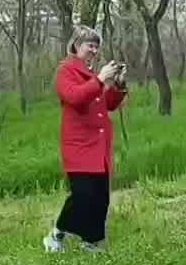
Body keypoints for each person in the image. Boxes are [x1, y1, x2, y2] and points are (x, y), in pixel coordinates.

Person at [43, 26, 129, 253]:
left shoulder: (92, 75)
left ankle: (91, 242)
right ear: (76, 45)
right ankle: (57, 233)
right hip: (79, 145)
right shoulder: (65, 70)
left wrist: (118, 84)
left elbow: (109, 104)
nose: (94, 50)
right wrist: (100, 79)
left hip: (99, 146)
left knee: (100, 197)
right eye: (90, 45)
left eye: (96, 46)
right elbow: (75, 97)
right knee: (83, 195)